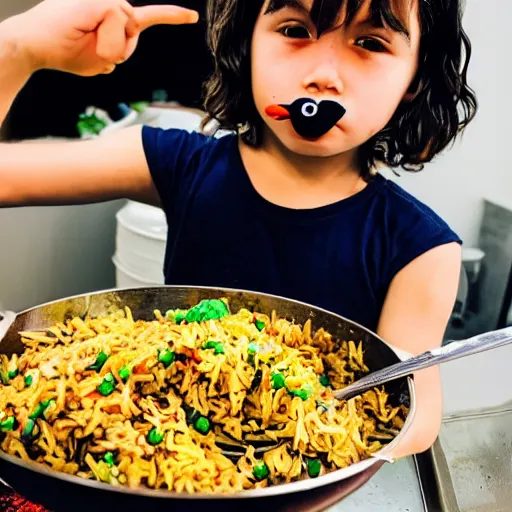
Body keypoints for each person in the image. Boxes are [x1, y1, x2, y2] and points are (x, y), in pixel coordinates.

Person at [0, 0, 477, 460]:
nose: (323, 76)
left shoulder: (423, 248)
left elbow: (417, 411)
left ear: (415, 77)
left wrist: (315, 445)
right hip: (158, 461)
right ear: (247, 43)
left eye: (371, 42)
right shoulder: (177, 163)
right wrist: (19, 48)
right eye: (295, 31)